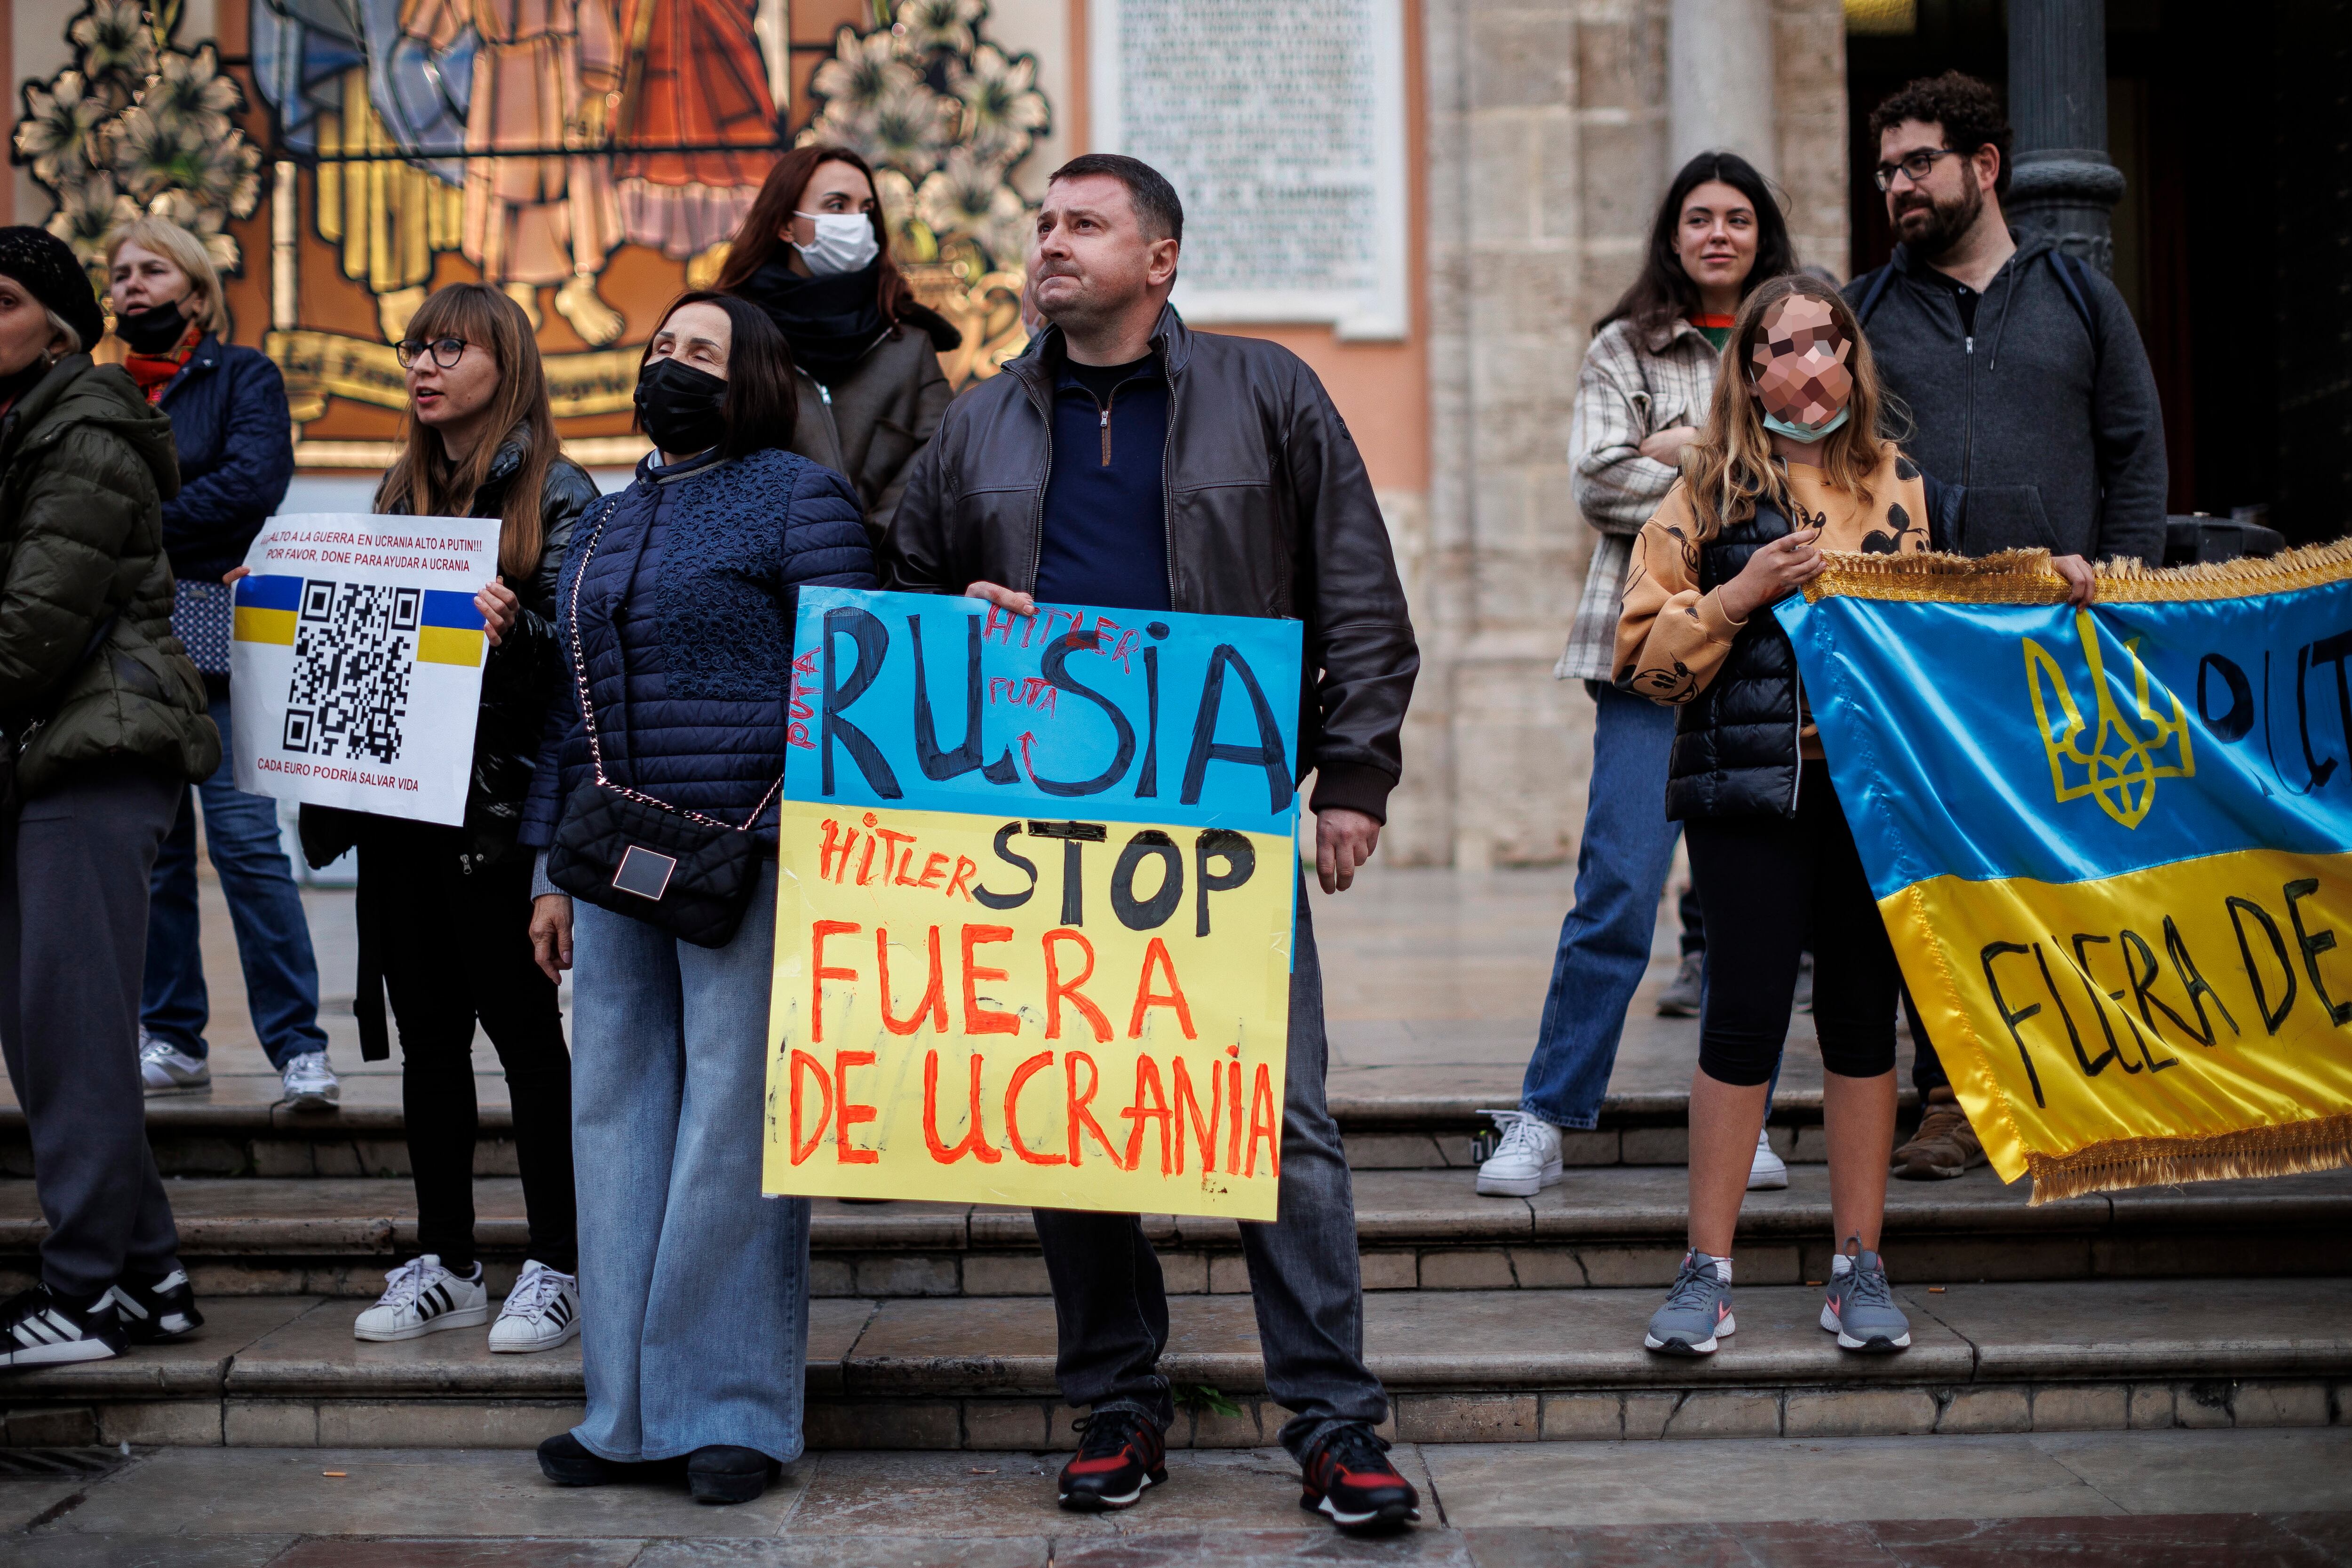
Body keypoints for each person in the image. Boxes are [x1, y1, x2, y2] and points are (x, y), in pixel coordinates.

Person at [888, 154, 1424, 1537]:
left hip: (1218, 820)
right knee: (1071, 1117)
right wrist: (961, 612)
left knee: (1282, 1123)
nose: (1048, 245)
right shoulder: (978, 425)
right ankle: (1117, 1401)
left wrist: (1353, 772)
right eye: (1042, 225)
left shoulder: (1268, 393)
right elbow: (896, 603)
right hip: (1033, 825)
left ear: (1160, 259)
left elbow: (1359, 592)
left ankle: (1335, 1423)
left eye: (1083, 225)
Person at [522, 291, 874, 1505]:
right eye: (662, 346)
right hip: (615, 864)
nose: (670, 365)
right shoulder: (608, 520)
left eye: (702, 354)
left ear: (755, 381)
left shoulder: (797, 496)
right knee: (613, 1121)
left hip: (753, 856)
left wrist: (778, 829)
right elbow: (573, 711)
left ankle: (727, 1412)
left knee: (732, 1130)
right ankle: (622, 1415)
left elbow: (843, 677)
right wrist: (546, 875)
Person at [1616, 275, 1970, 1360]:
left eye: (1829, 340)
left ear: (1855, 359)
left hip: (1871, 800)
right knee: (1741, 1020)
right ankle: (1704, 1270)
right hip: (1750, 795)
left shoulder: (1901, 485)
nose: (1809, 363)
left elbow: (1956, 632)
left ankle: (1858, 1266)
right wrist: (1739, 592)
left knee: (1865, 1028)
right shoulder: (1704, 496)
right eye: (1784, 345)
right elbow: (1641, 658)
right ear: (1750, 368)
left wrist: (2047, 588)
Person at [1844, 71, 2157, 1179]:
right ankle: (1947, 1096)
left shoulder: (2080, 300)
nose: (1897, 188)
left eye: (1917, 164)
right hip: (1923, 656)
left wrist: (2121, 593)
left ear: (1983, 167)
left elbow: (2134, 454)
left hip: (2063, 647)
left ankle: (2074, 1079)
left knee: (2062, 867)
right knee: (1937, 879)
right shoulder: (1863, 316)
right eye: (1886, 171)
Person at [1477, 152, 1796, 1201]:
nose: (1717, 234)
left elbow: (1824, 485)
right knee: (1616, 886)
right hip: (1651, 650)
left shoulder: (1796, 341)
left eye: (1737, 218)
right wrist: (1737, 463)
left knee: (1748, 903)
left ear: (1762, 235)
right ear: (1671, 234)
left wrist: (1682, 447)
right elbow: (1597, 481)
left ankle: (1738, 1118)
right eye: (1698, 217)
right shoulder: (1625, 344)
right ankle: (1548, 1113)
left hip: (1772, 657)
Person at [295, 283, 597, 1354]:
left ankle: (559, 1264)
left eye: (449, 348)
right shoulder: (397, 488)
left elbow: (580, 672)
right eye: (416, 349)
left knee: (526, 1043)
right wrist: (275, 607)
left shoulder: (558, 494)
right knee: (427, 1044)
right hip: (401, 815)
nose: (424, 367)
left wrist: (512, 635)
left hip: (500, 818)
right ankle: (448, 1262)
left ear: (503, 364)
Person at [0, 226, 218, 1363]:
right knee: (48, 1039)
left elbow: (29, 629)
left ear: (58, 321)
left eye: (0, 303)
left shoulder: (82, 431)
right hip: (44, 751)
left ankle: (81, 1294)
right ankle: (152, 1276)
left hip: (94, 748)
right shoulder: (23, 426)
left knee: (73, 1035)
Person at [105, 216, 336, 1109]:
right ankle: (174, 1036)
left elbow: (252, 482)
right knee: (157, 853)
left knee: (246, 846)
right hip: (125, 648)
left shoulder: (244, 376)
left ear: (196, 292)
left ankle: (298, 1045)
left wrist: (128, 529)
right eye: (120, 273)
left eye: (153, 270)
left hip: (221, 646)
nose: (132, 286)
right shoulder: (100, 390)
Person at [715, 145, 959, 544]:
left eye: (865, 209)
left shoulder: (908, 342)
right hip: (762, 570)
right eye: (836, 206)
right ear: (785, 225)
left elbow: (939, 455)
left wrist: (867, 543)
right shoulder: (730, 335)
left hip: (880, 575)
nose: (856, 223)